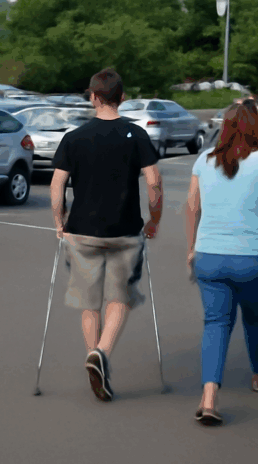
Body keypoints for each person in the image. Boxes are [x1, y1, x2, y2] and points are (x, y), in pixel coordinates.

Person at [50, 68, 163, 402]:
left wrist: (60, 222)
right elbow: (154, 182)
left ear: (93, 97)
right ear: (122, 98)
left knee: (90, 300)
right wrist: (153, 219)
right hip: (125, 230)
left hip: (81, 231)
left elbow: (57, 185)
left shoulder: (75, 137)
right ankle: (102, 353)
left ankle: (92, 355)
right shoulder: (136, 135)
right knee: (120, 297)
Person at [184, 101, 258, 426]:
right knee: (256, 320)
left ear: (225, 127)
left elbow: (191, 207)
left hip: (209, 256)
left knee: (215, 323)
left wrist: (191, 249)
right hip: (253, 258)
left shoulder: (204, 160)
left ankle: (209, 397)